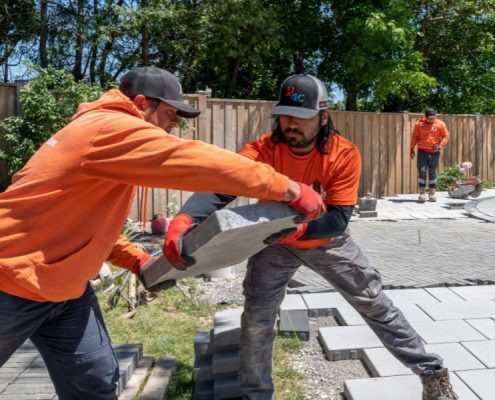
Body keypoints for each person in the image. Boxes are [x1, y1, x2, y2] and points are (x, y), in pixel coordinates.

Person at [0, 67, 326, 400]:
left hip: (65, 290)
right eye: (171, 113)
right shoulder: (109, 128)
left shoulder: (101, 137)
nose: (175, 124)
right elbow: (195, 161)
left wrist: (137, 260)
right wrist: (286, 187)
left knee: (96, 382)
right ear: (142, 104)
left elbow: (81, 220)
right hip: (10, 281)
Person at [164, 75, 459, 400]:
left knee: (376, 305)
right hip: (274, 244)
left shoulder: (343, 154)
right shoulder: (264, 149)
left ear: (323, 117)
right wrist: (184, 219)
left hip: (326, 242)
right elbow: (221, 186)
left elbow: (338, 219)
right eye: (285, 115)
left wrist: (298, 229)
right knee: (258, 318)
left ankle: (433, 374)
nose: (291, 124)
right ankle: (256, 394)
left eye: (301, 118)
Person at [410, 108, 449, 202]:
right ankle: (422, 194)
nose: (431, 119)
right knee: (422, 172)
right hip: (422, 151)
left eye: (433, 117)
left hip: (434, 152)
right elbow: (414, 136)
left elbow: (446, 136)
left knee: (432, 172)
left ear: (435, 115)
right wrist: (411, 148)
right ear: (426, 116)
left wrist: (440, 145)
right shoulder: (419, 124)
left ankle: (432, 194)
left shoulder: (440, 124)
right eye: (429, 117)